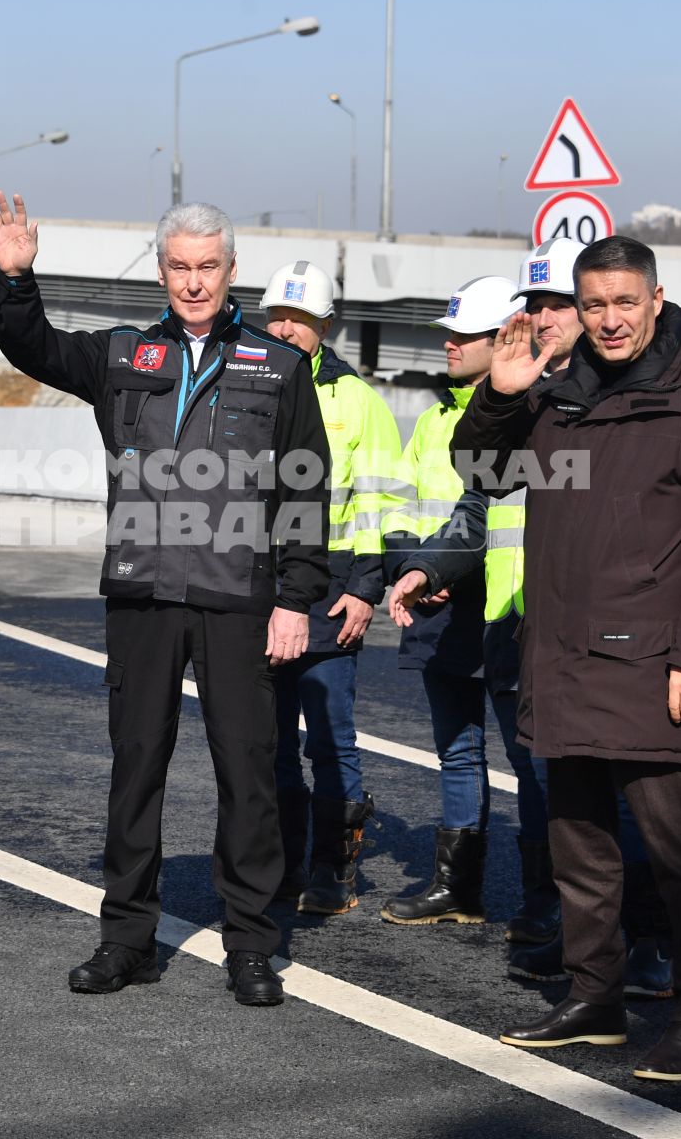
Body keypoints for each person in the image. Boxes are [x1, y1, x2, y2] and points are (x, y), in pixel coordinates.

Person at [0, 192, 330, 1008]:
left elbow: (307, 488)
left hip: (239, 598)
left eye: (209, 266)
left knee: (247, 774)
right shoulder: (121, 356)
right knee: (136, 768)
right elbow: (29, 345)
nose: (195, 281)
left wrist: (297, 598)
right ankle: (126, 941)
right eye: (180, 266)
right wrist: (17, 278)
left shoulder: (278, 367)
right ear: (162, 269)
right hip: (142, 595)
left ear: (232, 270)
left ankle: (251, 946)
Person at [452, 235, 681, 1083]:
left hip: (656, 664)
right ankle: (596, 998)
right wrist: (500, 396)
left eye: (626, 302)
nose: (610, 320)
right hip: (561, 658)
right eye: (594, 305)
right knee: (579, 844)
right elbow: (480, 471)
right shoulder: (560, 395)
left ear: (656, 301)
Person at [386, 239, 672, 998]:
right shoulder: (536, 400)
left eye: (558, 304)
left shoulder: (661, 393)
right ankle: (584, 936)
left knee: (629, 797)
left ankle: (654, 944)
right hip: (529, 630)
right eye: (536, 304)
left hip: (619, 634)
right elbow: (480, 502)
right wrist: (424, 567)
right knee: (565, 796)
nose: (545, 317)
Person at [377, 273, 543, 930]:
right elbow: (402, 505)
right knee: (457, 751)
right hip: (437, 604)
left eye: (465, 335)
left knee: (533, 763)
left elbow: (498, 518)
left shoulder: (527, 417)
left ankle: (545, 900)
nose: (450, 345)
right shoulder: (429, 420)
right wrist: (411, 566)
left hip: (501, 605)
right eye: (448, 334)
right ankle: (457, 888)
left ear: (503, 338)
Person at [261, 261, 403, 916]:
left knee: (327, 739)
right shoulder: (243, 384)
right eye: (278, 318)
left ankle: (331, 869)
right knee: (268, 741)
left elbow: (380, 502)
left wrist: (368, 588)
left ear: (328, 326)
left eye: (302, 321)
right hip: (258, 588)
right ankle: (283, 864)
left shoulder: (358, 402)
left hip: (331, 590)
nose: (286, 330)